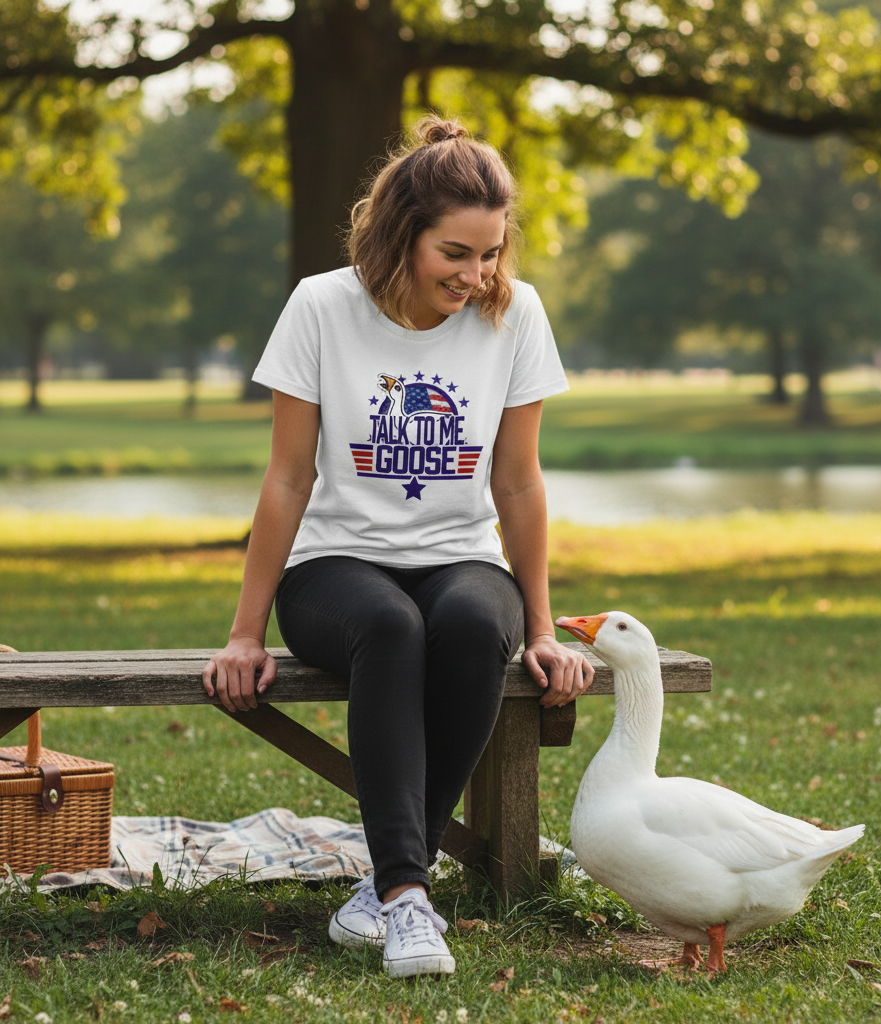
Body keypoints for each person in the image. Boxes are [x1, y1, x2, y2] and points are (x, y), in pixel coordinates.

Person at [201, 115, 594, 979]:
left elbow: (519, 484)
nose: (477, 274)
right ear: (401, 232)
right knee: (390, 626)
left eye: (490, 253)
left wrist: (540, 628)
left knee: (463, 622)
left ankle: (384, 889)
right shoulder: (320, 305)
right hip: (333, 565)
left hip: (462, 553)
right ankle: (411, 896)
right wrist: (244, 632)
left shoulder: (514, 315)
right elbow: (287, 481)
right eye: (456, 252)